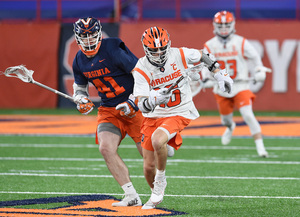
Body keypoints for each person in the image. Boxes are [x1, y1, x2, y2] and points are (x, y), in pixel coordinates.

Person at [131, 26, 233, 209]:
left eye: (163, 48)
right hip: (153, 115)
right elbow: (141, 104)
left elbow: (203, 55)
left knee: (157, 139)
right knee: (147, 168)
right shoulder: (141, 68)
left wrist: (219, 74)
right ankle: (157, 187)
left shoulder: (179, 54)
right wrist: (153, 99)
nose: (160, 53)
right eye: (154, 50)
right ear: (146, 49)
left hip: (179, 110)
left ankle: (161, 179)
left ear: (168, 44)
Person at [72, 17, 144, 207]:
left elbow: (141, 73)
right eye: (84, 36)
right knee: (105, 148)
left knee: (150, 157)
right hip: (109, 109)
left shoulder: (112, 48)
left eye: (91, 35)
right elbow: (80, 88)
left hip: (134, 106)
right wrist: (80, 99)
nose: (88, 40)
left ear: (99, 33)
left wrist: (134, 100)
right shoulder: (78, 59)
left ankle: (164, 139)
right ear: (77, 38)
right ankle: (131, 195)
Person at [203, 11, 271, 157]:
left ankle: (261, 148)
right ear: (215, 26)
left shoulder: (241, 42)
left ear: (232, 25)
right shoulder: (210, 45)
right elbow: (205, 65)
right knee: (225, 120)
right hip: (221, 88)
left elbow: (255, 57)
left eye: (226, 25)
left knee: (248, 114)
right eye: (220, 25)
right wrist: (206, 78)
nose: (223, 28)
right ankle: (230, 126)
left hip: (240, 86)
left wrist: (259, 70)